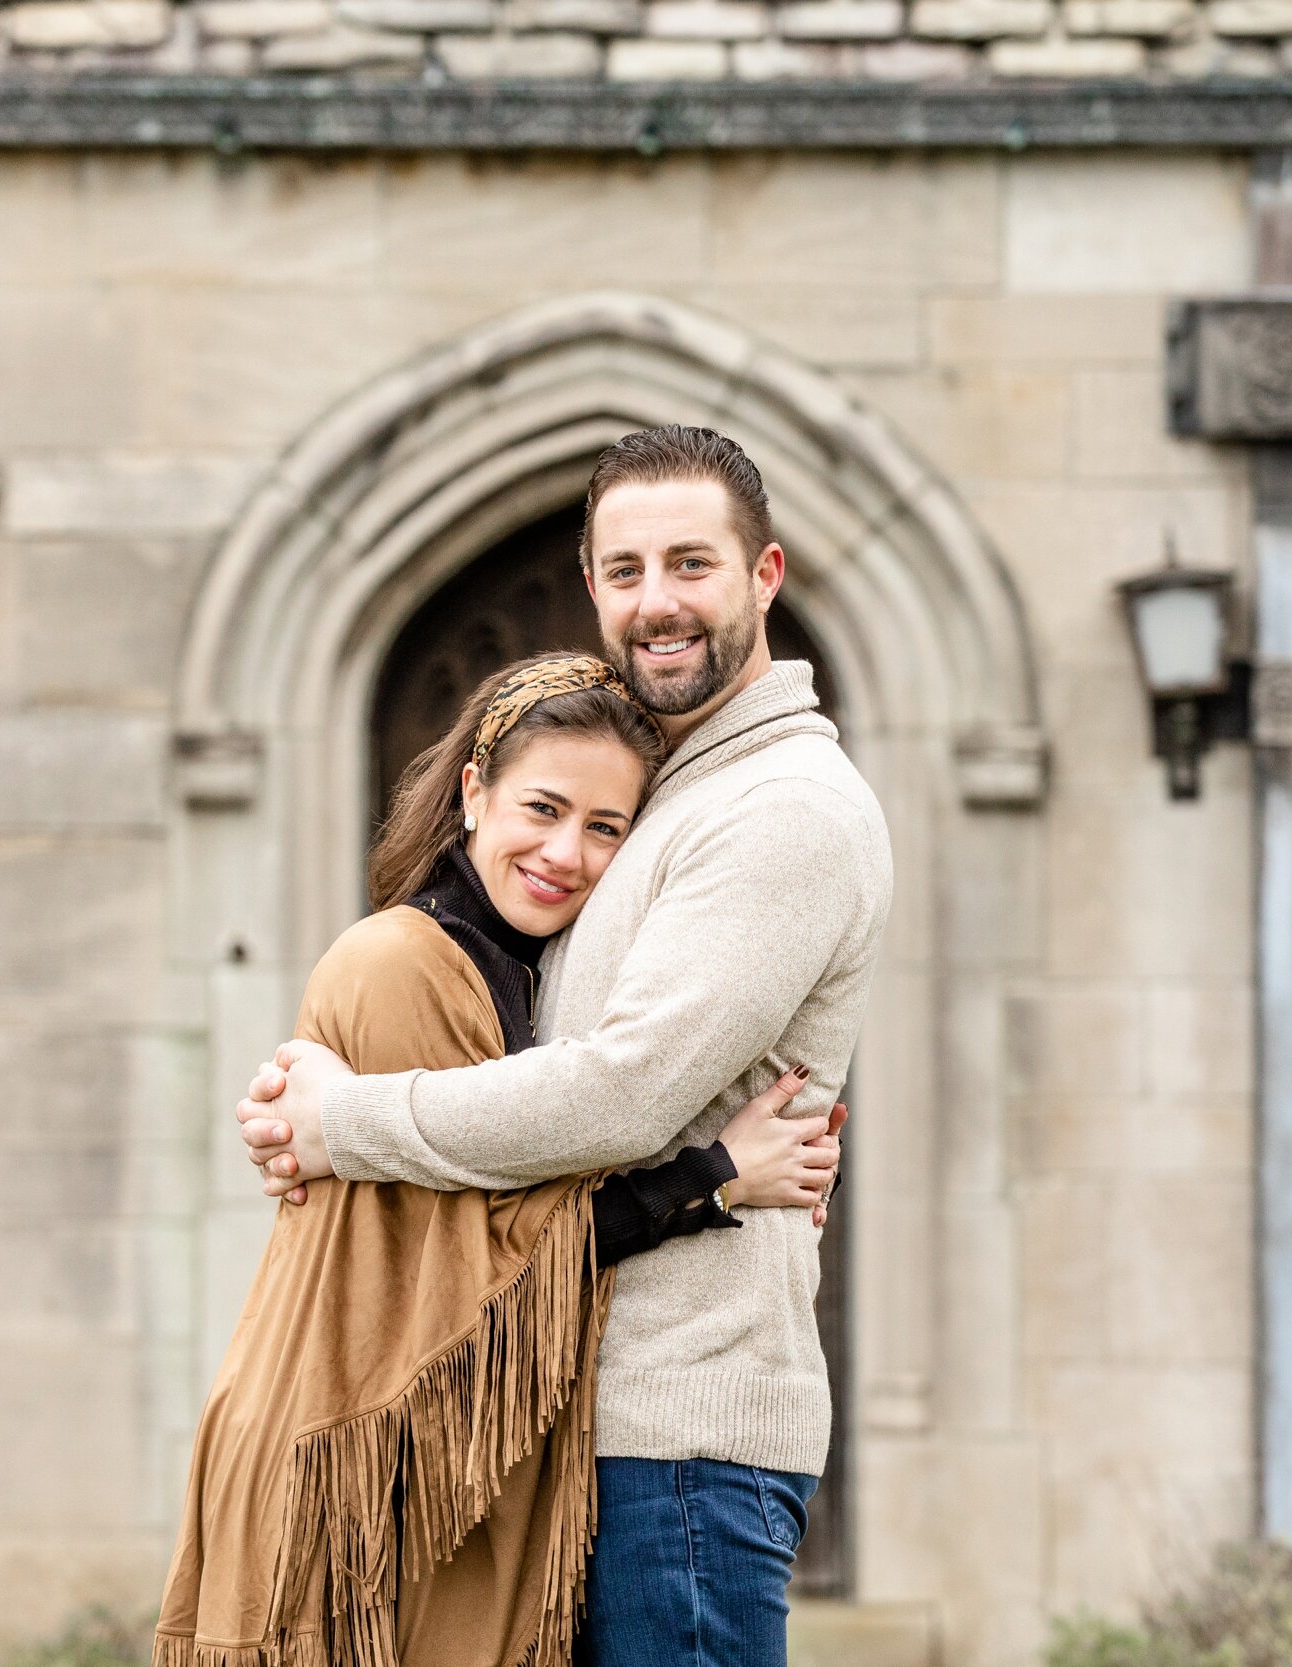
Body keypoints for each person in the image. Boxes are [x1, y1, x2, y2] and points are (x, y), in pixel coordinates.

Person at [239, 426, 895, 1667]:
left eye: (690, 563)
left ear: (764, 576)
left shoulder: (783, 808)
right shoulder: (673, 789)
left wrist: (343, 1121)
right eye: (626, 568)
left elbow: (619, 1091)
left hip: (683, 1438)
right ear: (592, 585)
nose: (658, 601)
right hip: (594, 1424)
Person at [157, 651, 846, 1667]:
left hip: (409, 1477)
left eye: (605, 827)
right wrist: (710, 1178)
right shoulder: (402, 963)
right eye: (543, 807)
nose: (565, 851)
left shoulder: (527, 976)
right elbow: (470, 1272)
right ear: (474, 791)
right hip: (343, 1470)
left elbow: (514, 1194)